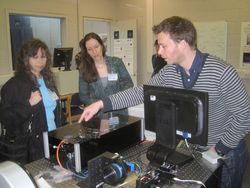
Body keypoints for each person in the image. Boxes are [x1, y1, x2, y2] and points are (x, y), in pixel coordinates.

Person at [79, 16, 250, 188]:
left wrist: (219, 148)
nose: (159, 52)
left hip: (228, 152)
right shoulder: (170, 73)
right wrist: (102, 103)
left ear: (181, 43)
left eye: (164, 45)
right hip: (198, 151)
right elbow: (141, 92)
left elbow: (244, 116)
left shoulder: (222, 73)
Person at [0, 38, 65, 164]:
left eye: (43, 57)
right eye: (35, 57)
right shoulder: (14, 85)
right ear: (26, 59)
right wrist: (28, 104)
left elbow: (55, 111)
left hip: (52, 138)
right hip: (32, 147)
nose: (40, 61)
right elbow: (5, 118)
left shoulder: (48, 80)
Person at [78, 32, 134, 115]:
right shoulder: (84, 69)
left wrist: (115, 100)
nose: (94, 51)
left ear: (102, 46)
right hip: (98, 114)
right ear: (86, 52)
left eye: (96, 47)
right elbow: (83, 96)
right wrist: (101, 105)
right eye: (89, 49)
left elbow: (128, 83)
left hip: (119, 111)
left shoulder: (116, 62)